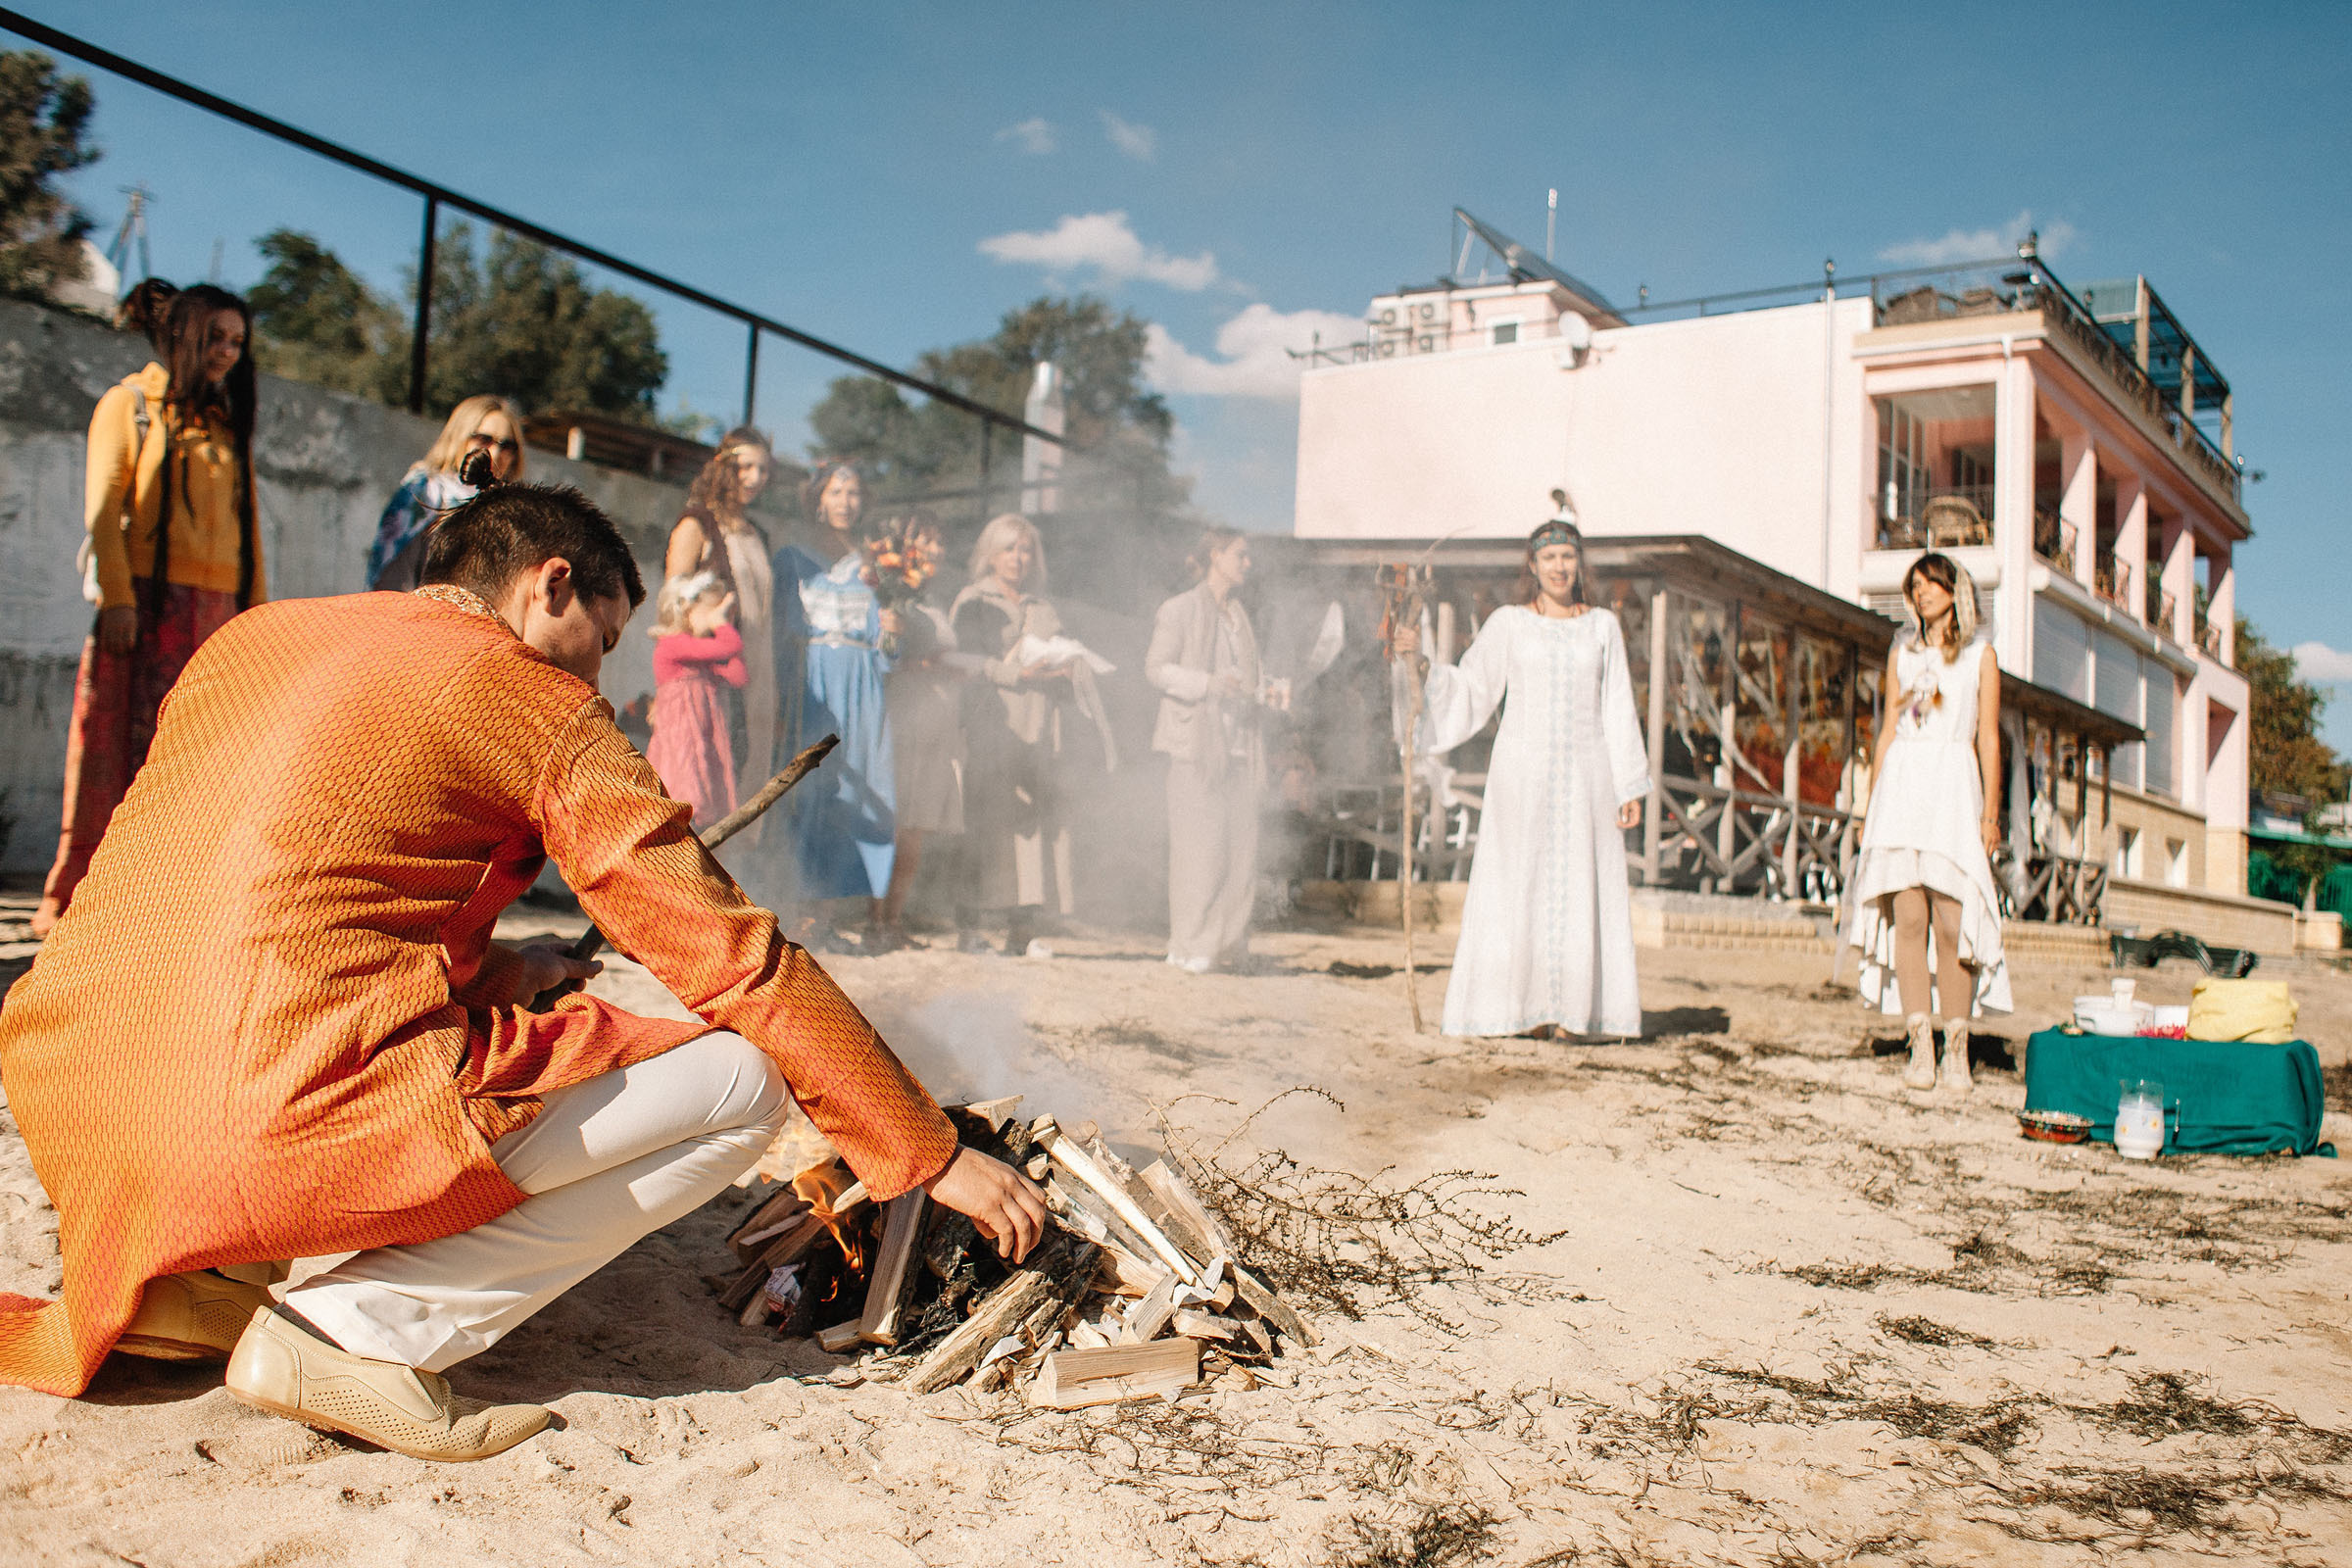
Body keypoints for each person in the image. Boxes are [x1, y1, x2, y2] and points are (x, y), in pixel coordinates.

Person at [0, 479, 1046, 1462]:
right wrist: (919, 1144)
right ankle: (356, 1335)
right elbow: (733, 955)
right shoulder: (533, 699)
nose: (598, 677)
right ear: (549, 582)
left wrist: (500, 965)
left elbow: (285, 892)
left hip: (79, 1084)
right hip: (265, 1096)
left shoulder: (257, 634)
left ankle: (194, 1283)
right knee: (743, 1085)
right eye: (601, 641)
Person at [33, 282, 265, 937]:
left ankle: (162, 897)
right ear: (183, 336)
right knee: (110, 746)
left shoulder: (227, 420)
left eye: (237, 342)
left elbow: (250, 531)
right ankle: (76, 896)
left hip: (218, 617)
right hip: (145, 604)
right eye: (215, 337)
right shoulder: (128, 404)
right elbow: (105, 510)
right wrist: (118, 598)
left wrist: (257, 619)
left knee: (195, 759)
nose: (225, 351)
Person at [1396, 518, 1649, 1038]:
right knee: (1521, 883)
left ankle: (1575, 1013)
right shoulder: (1509, 623)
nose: (1560, 567)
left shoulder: (1602, 626)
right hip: (1523, 776)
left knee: (1581, 885)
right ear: (1532, 566)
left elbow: (1618, 705)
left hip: (1587, 775)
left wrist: (1629, 784)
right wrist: (1422, 665)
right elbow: (1471, 686)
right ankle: (1525, 1009)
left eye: (1568, 556)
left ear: (1580, 564)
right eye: (1549, 557)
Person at [1845, 551, 2012, 1093]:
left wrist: (1991, 813)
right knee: (1909, 919)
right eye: (1914, 586)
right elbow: (1891, 725)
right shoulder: (1903, 650)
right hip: (1902, 787)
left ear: (1954, 589)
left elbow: (1988, 736)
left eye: (1931, 584)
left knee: (1950, 920)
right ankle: (1921, 1047)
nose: (1921, 594)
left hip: (1952, 787)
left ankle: (1957, 1048)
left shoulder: (1980, 655)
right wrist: (1870, 809)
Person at [953, 514, 1117, 957]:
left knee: (1032, 830)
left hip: (1041, 729)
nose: (1018, 558)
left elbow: (1065, 662)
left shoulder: (1043, 608)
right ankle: (970, 928)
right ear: (991, 552)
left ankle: (1020, 931)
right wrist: (1015, 672)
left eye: (1026, 550)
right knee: (985, 826)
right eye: (1009, 548)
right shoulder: (973, 599)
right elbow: (961, 661)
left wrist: (1066, 670)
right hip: (994, 724)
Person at [774, 459, 899, 943]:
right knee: (814, 787)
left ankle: (832, 912)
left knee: (861, 789)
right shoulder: (793, 557)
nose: (847, 502)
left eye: (854, 492)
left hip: (862, 684)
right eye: (837, 491)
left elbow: (887, 653)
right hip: (814, 682)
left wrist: (893, 633)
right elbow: (781, 633)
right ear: (818, 497)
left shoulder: (876, 565)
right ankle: (802, 908)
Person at [1146, 528, 1282, 973]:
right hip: (1195, 747)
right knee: (1199, 851)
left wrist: (1267, 693)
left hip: (1241, 748)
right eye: (1240, 555)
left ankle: (1227, 943)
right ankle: (1189, 943)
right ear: (1215, 555)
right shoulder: (1180, 609)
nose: (1248, 564)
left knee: (1240, 851)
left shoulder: (1240, 617)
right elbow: (1156, 669)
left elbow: (1245, 680)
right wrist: (1207, 684)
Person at [667, 429, 779, 817]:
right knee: (704, 789)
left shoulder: (758, 534)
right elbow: (671, 609)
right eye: (744, 466)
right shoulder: (697, 525)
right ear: (722, 467)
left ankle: (732, 875)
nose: (754, 477)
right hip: (708, 675)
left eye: (762, 469)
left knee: (746, 786)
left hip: (757, 674)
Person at [877, 514, 963, 950]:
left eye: (940, 545)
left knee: (915, 828)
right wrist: (928, 665)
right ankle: (876, 918)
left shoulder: (931, 601)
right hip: (905, 715)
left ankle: (893, 919)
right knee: (895, 821)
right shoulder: (893, 594)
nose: (936, 552)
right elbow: (887, 655)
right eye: (927, 543)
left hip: (935, 721)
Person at [366, 395, 527, 590]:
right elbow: (391, 575)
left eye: (507, 445)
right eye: (484, 440)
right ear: (460, 436)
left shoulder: (515, 507)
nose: (495, 454)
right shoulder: (426, 489)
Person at [644, 571, 747, 829]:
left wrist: (726, 626)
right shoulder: (672, 645)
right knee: (684, 786)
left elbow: (739, 676)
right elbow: (730, 647)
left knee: (703, 789)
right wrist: (722, 625)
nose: (715, 619)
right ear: (687, 611)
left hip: (703, 739)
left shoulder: (698, 656)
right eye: (710, 612)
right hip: (683, 739)